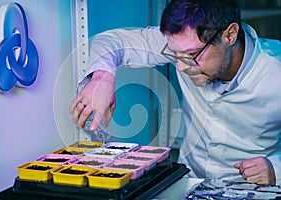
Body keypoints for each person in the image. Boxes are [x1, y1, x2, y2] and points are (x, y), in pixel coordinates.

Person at [69, 0, 281, 185]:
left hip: (251, 190)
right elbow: (111, 41)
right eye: (174, 54)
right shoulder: (184, 42)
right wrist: (102, 77)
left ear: (230, 35)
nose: (180, 67)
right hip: (190, 183)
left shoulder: (275, 72)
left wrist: (276, 170)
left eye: (190, 55)